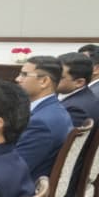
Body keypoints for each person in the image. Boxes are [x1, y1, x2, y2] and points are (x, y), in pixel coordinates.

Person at [14, 54, 71, 182]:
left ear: (44, 81)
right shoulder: (53, 110)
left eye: (24, 75)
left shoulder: (41, 123)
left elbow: (15, 170)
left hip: (25, 193)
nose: (17, 79)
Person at [56, 52, 99, 197]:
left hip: (64, 185)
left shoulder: (77, 108)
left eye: (59, 77)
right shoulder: (85, 99)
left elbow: (58, 152)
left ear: (79, 82)